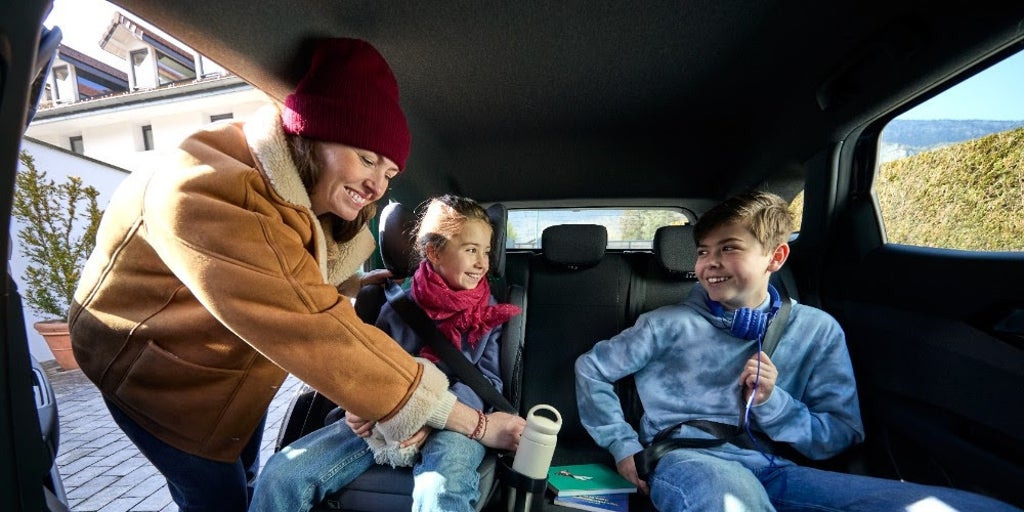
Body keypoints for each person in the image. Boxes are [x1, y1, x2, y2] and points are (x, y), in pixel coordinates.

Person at [68, 38, 524, 512]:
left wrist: (344, 284)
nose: (376, 185)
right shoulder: (205, 187)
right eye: (367, 159)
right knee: (221, 496)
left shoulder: (306, 201)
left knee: (244, 472)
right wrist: (468, 421)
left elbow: (290, 272)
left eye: (389, 173)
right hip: (166, 388)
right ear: (311, 133)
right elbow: (315, 327)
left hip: (238, 379)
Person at [574, 191, 1020, 511]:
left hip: (779, 467)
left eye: (729, 249)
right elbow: (591, 369)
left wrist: (773, 403)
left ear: (776, 257)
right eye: (703, 251)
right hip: (688, 459)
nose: (709, 263)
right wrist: (623, 445)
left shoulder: (817, 331)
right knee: (729, 501)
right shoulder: (664, 325)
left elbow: (841, 436)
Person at [254, 194, 521, 512]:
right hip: (384, 414)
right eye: (471, 250)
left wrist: (431, 416)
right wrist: (355, 404)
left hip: (458, 423)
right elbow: (369, 368)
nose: (482, 263)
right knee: (280, 474)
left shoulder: (491, 314)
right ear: (434, 252)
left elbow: (487, 384)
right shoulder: (396, 304)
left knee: (440, 491)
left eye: (487, 252)